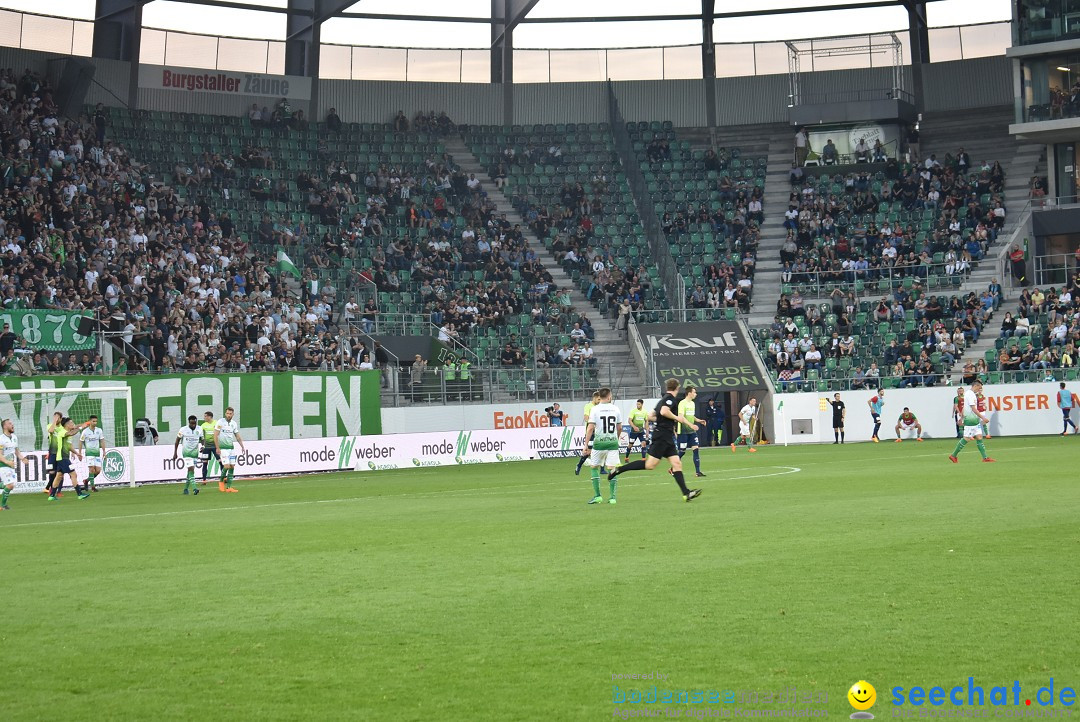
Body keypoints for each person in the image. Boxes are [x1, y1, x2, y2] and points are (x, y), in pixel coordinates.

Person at [606, 379, 702, 503]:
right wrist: (676, 417)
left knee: (677, 463)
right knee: (650, 465)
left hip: (667, 437)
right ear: (677, 388)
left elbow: (651, 416)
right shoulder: (669, 399)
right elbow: (664, 411)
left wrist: (664, 419)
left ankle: (686, 493)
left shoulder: (661, 401)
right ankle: (619, 469)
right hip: (662, 436)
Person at [584, 388, 622, 505]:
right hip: (612, 443)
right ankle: (612, 498)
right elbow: (619, 427)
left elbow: (590, 428)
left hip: (599, 443)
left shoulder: (595, 409)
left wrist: (586, 445)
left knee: (594, 467)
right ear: (609, 396)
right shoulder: (616, 409)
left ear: (599, 397)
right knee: (612, 469)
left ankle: (597, 496)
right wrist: (616, 438)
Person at [950, 380, 994, 463]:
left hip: (975, 420)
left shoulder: (968, 394)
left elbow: (964, 407)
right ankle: (953, 455)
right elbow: (973, 409)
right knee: (966, 438)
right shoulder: (970, 395)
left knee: (979, 437)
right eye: (979, 388)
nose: (979, 390)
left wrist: (961, 418)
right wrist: (983, 418)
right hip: (970, 420)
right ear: (975, 386)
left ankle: (985, 458)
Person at [48, 417, 90, 501]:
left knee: (58, 476)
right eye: (71, 423)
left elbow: (69, 446)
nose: (73, 424)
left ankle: (52, 496)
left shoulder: (67, 433)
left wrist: (77, 453)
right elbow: (72, 433)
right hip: (63, 458)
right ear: (67, 425)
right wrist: (81, 427)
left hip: (63, 457)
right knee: (73, 474)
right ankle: (80, 494)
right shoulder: (62, 432)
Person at [0, 418, 31, 510]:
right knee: (10, 485)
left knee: (10, 486)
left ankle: (3, 505)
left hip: (10, 465)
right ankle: (2, 505)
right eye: (10, 423)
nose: (12, 425)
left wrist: (23, 458)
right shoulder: (1, 439)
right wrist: (7, 462)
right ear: (5, 426)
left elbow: (16, 451)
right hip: (2, 465)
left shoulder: (14, 437)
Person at [214, 407, 246, 493]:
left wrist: (242, 446)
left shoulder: (234, 424)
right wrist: (217, 447)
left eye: (230, 414)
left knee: (232, 466)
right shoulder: (220, 422)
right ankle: (221, 482)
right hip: (223, 448)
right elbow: (215, 435)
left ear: (233, 414)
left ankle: (229, 487)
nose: (228, 415)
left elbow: (237, 436)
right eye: (227, 413)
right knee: (226, 466)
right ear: (225, 414)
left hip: (231, 448)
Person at [676, 386, 705, 477]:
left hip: (691, 431)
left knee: (696, 449)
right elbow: (681, 417)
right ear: (689, 393)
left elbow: (691, 416)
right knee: (682, 451)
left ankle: (698, 472)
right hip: (683, 431)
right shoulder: (682, 403)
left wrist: (698, 420)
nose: (696, 394)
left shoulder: (692, 403)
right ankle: (673, 468)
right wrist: (691, 425)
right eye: (694, 392)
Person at [173, 415, 203, 496]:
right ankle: (194, 489)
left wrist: (203, 446)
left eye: (194, 423)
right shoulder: (183, 429)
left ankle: (186, 489)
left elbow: (202, 439)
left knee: (190, 472)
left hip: (195, 453)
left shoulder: (199, 429)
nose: (193, 425)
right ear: (189, 422)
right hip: (186, 453)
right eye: (191, 423)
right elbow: (177, 441)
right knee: (191, 469)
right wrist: (175, 452)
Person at [575, 392, 602, 476]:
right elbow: (586, 418)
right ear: (594, 398)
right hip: (591, 432)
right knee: (588, 452)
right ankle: (579, 465)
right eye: (598, 399)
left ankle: (602, 469)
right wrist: (593, 424)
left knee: (602, 449)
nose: (599, 401)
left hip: (599, 432)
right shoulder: (588, 406)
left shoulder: (599, 407)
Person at [78, 414, 106, 493]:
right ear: (90, 421)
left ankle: (86, 481)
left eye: (96, 421)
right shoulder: (85, 431)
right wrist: (79, 452)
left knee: (98, 471)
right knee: (91, 470)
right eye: (93, 421)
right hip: (89, 453)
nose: (95, 423)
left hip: (97, 453)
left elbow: (102, 441)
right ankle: (93, 487)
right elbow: (80, 441)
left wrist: (104, 451)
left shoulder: (99, 430)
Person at [199, 411, 219, 485]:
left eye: (205, 416)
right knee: (205, 463)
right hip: (206, 447)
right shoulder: (203, 425)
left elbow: (220, 432)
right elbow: (201, 437)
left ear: (210, 417)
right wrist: (202, 446)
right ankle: (204, 480)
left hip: (215, 446)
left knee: (220, 461)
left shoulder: (216, 423)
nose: (204, 418)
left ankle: (224, 479)